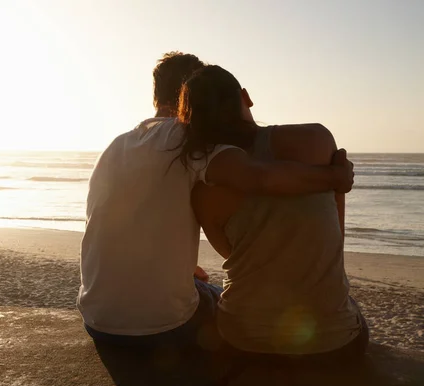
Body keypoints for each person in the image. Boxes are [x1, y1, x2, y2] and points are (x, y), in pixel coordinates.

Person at [77, 52, 355, 352]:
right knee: (216, 296)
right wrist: (333, 178)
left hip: (97, 320)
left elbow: (126, 218)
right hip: (162, 329)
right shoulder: (190, 140)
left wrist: (180, 265)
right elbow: (259, 177)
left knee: (208, 289)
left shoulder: (116, 146)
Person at [185, 65, 369, 362]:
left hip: (241, 339)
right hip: (332, 341)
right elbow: (335, 236)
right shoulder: (317, 139)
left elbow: (231, 254)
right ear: (246, 97)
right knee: (353, 311)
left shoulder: (204, 186)